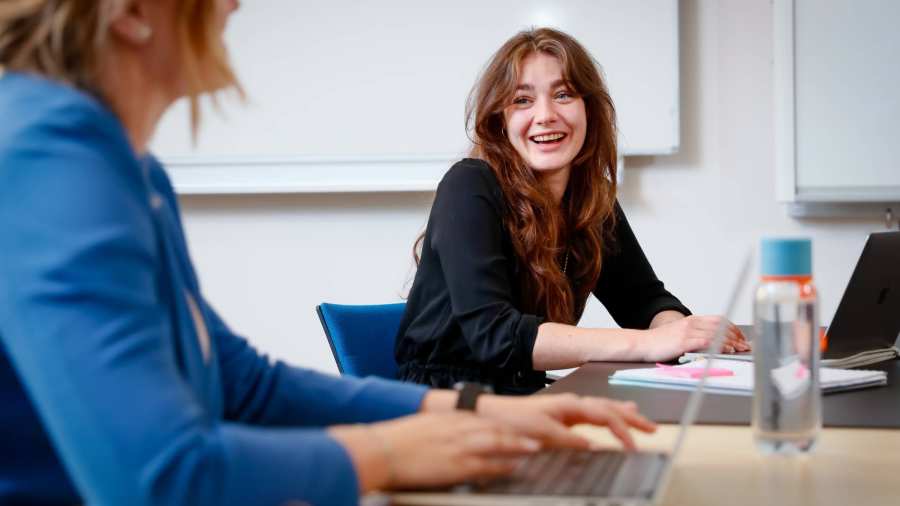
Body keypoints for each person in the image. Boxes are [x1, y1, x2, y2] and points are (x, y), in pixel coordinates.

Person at [0, 3, 658, 505]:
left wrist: (476, 412)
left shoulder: (131, 168)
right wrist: (389, 453)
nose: (234, 5)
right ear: (134, 12)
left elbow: (240, 384)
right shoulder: (49, 158)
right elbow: (159, 477)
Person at [395, 28, 750, 394]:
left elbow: (644, 300)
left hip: (527, 397)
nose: (545, 115)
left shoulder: (591, 201)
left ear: (589, 110)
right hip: (448, 404)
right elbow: (496, 336)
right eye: (522, 100)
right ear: (500, 120)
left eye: (563, 94)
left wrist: (679, 333)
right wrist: (648, 343)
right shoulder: (469, 185)